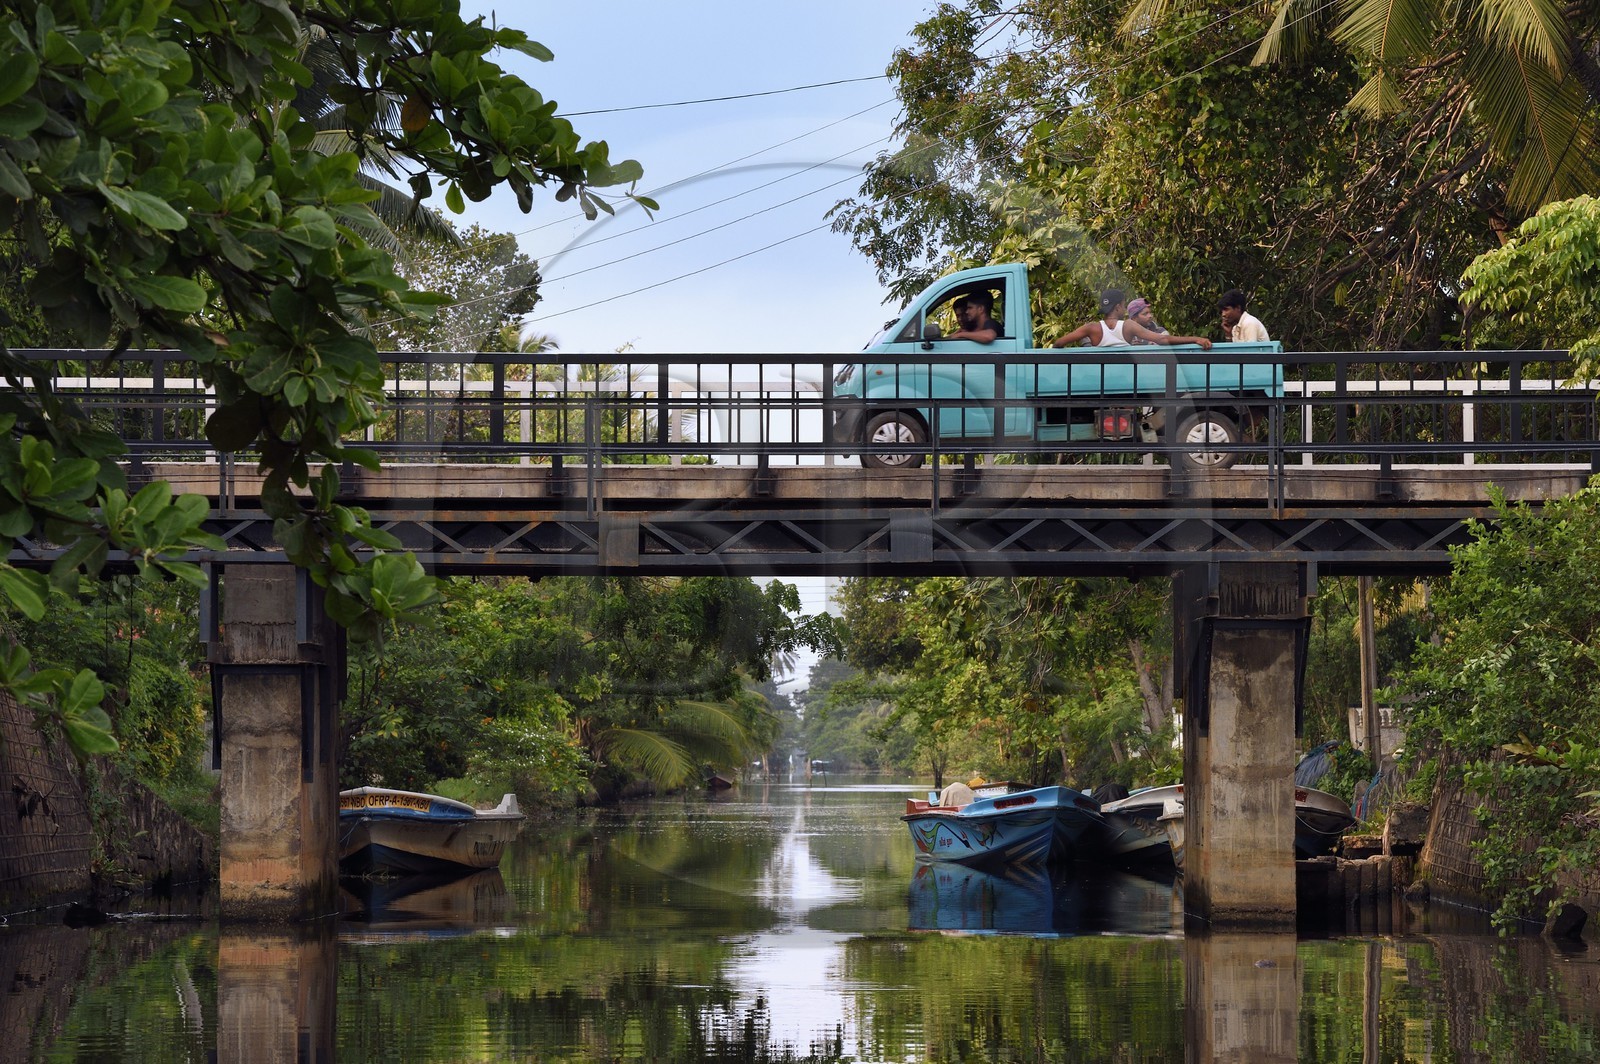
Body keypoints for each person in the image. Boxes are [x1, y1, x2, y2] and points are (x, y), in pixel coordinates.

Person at [1051, 289, 1211, 349]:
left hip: (1101, 382)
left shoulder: (1091, 328)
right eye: (1123, 304)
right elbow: (1161, 339)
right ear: (1118, 307)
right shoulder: (1128, 326)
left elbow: (1059, 343)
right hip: (1125, 382)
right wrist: (1195, 338)